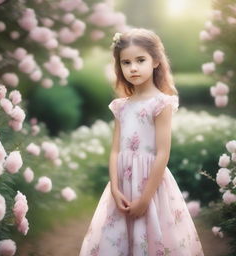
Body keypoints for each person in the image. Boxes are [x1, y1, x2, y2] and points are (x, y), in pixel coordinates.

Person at [79, 28, 204, 256]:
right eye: (126, 62)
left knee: (150, 241)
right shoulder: (121, 106)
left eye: (140, 60)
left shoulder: (161, 103)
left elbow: (162, 153)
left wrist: (145, 199)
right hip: (123, 186)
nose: (133, 67)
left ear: (155, 61)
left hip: (151, 187)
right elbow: (115, 150)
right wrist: (115, 188)